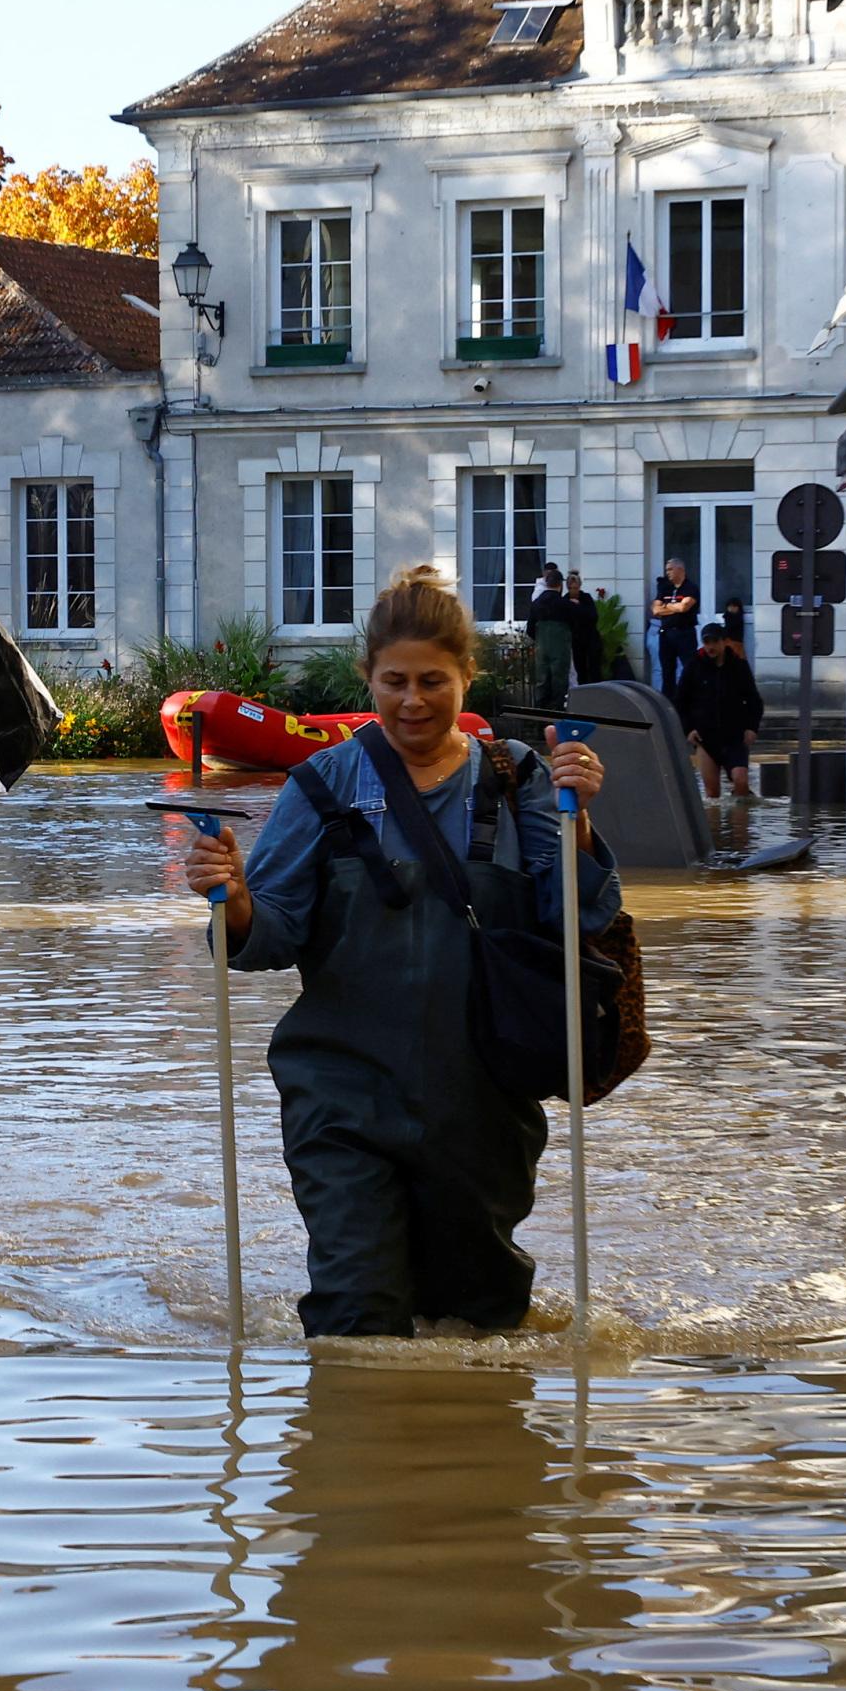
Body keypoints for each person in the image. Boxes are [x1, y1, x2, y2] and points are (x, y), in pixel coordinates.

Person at [175, 565, 619, 1336]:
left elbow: (576, 916)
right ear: (368, 680)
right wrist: (237, 897)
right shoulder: (323, 784)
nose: (413, 701)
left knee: (480, 1318)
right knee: (354, 1310)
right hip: (341, 1092)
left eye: (433, 682)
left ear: (467, 678)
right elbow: (267, 936)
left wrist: (579, 823)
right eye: (394, 682)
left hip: (483, 1100)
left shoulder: (523, 782)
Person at [674, 617, 765, 801]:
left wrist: (751, 728)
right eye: (707, 642)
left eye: (714, 641)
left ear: (724, 642)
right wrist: (688, 729)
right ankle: (716, 829)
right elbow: (680, 702)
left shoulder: (738, 666)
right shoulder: (694, 666)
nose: (710, 647)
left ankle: (741, 822)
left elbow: (754, 700)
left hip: (734, 736)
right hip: (705, 737)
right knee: (712, 793)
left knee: (740, 780)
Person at [650, 557, 701, 700]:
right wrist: (674, 608)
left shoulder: (690, 588)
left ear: (681, 569)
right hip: (666, 635)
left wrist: (665, 607)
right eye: (667, 570)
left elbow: (685, 607)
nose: (668, 573)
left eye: (670, 569)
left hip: (684, 633)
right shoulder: (665, 588)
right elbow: (655, 610)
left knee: (689, 669)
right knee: (667, 671)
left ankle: (692, 700)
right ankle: (669, 702)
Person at [526, 565, 574, 711]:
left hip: (542, 647)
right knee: (559, 681)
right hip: (560, 648)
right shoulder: (565, 604)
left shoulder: (536, 604)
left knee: (542, 681)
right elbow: (577, 624)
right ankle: (557, 714)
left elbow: (530, 629)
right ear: (560, 585)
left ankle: (540, 717)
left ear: (546, 583)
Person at [563, 568, 606, 686]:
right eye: (571, 588)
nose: (573, 591)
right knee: (579, 668)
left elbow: (593, 616)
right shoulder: (565, 600)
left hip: (590, 638)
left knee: (594, 668)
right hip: (575, 640)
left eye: (575, 588)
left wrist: (578, 607)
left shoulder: (586, 598)